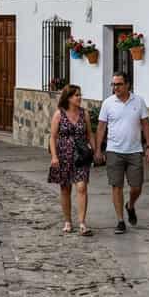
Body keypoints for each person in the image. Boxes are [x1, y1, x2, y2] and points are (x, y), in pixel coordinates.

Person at [93, 72, 149, 235]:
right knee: (116, 186)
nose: (115, 88)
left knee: (136, 187)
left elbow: (146, 124)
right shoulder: (108, 103)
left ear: (127, 85)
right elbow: (101, 127)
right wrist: (98, 149)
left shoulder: (139, 101)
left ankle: (130, 205)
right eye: (113, 84)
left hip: (134, 151)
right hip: (114, 151)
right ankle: (120, 221)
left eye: (118, 84)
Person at [48, 84, 94, 236]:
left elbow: (89, 134)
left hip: (81, 156)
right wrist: (54, 157)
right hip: (63, 155)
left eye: (80, 95)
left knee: (82, 187)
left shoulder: (84, 114)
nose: (80, 98)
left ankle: (82, 223)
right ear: (68, 98)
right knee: (65, 188)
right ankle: (68, 221)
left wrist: (94, 151)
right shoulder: (59, 114)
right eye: (76, 95)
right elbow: (53, 137)